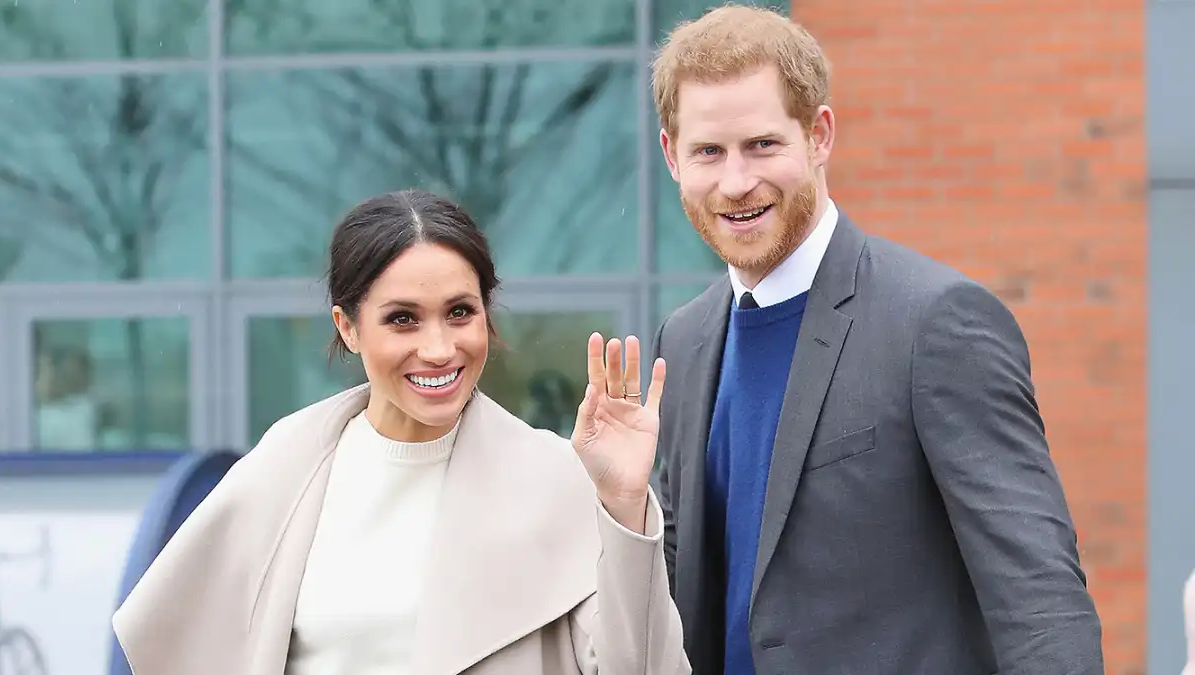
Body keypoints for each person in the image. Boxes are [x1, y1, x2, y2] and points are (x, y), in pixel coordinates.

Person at [649, 5, 1103, 674]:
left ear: (819, 135)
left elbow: (1039, 598)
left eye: (763, 145)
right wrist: (620, 504)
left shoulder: (935, 322)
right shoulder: (683, 343)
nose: (736, 182)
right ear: (671, 155)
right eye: (709, 152)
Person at [111, 189, 691, 675]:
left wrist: (623, 502)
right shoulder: (284, 470)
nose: (438, 348)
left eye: (460, 312)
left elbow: (642, 668)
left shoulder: (557, 477)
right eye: (402, 319)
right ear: (348, 326)